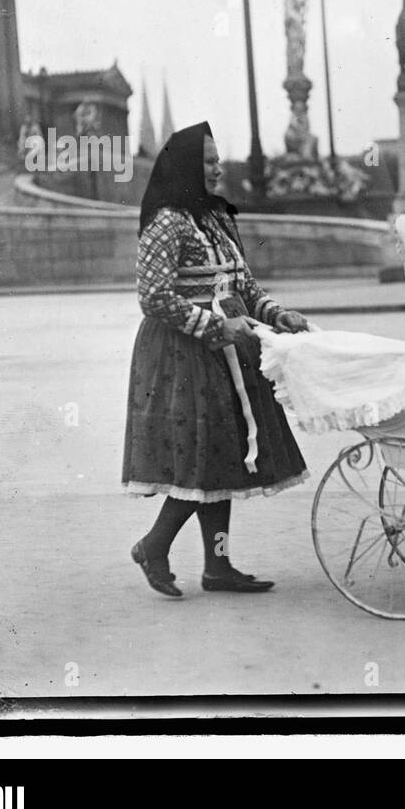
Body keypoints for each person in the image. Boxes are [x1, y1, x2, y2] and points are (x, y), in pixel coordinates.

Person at [122, 122, 313, 597]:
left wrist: (276, 313)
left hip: (228, 348)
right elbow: (154, 297)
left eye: (217, 159)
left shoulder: (217, 219)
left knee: (225, 454)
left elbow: (244, 286)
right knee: (204, 455)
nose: (217, 168)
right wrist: (213, 327)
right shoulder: (167, 220)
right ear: (187, 166)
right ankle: (154, 544)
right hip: (182, 352)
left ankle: (217, 565)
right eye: (207, 162)